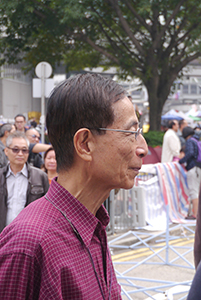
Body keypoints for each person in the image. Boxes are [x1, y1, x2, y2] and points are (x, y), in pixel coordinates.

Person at [0, 73, 148, 299]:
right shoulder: (29, 245)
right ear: (85, 144)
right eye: (130, 133)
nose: (143, 148)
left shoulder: (94, 223)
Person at [0, 131, 49, 233]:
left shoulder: (40, 177)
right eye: (15, 150)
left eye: (24, 150)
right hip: (3, 235)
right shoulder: (1, 176)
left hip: (29, 235)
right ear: (6, 151)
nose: (20, 154)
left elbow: (47, 210)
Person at [179, 126, 201, 218]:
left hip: (193, 168)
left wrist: (181, 161)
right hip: (198, 168)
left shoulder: (189, 141)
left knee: (193, 191)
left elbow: (190, 153)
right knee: (197, 191)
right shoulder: (196, 140)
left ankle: (195, 214)